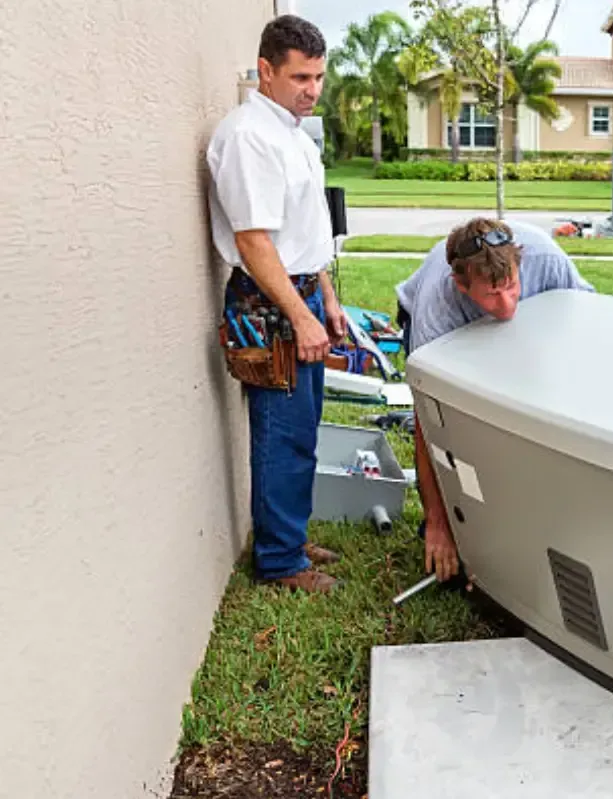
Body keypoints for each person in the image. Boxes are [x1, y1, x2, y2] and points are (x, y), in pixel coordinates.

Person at [206, 15, 346, 593]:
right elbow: (254, 241)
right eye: (300, 77)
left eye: (318, 77)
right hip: (271, 302)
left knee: (303, 430)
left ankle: (288, 535)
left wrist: (328, 299)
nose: (312, 89)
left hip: (302, 292)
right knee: (280, 432)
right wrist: (299, 312)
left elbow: (304, 233)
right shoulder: (249, 137)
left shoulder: (290, 130)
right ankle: (280, 562)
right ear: (266, 71)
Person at [396, 218, 594, 583]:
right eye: (491, 294)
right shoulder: (437, 305)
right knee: (462, 426)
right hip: (450, 335)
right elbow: (427, 421)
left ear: (521, 265)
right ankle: (457, 525)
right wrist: (437, 523)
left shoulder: (547, 259)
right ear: (461, 284)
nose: (505, 305)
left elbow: (583, 329)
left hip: (528, 334)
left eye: (512, 287)